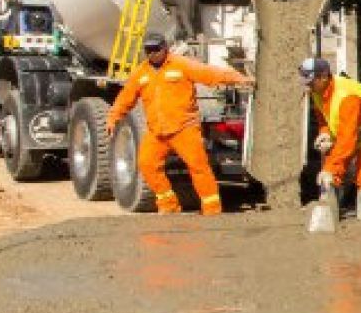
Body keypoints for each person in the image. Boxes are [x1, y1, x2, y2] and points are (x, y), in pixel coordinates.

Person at [105, 34, 253, 215]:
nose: (152, 54)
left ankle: (212, 208)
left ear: (165, 48)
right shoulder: (140, 73)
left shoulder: (181, 65)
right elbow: (125, 99)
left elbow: (210, 73)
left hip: (184, 128)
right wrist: (113, 118)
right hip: (157, 131)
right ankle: (168, 205)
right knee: (147, 164)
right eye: (148, 50)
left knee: (198, 167)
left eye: (155, 50)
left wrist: (239, 78)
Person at [301, 57, 361, 221]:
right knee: (334, 170)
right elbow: (324, 118)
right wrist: (325, 132)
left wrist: (328, 169)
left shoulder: (347, 97)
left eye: (311, 81)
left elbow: (347, 142)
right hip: (347, 129)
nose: (307, 86)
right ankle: (332, 211)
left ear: (323, 76)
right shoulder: (317, 92)